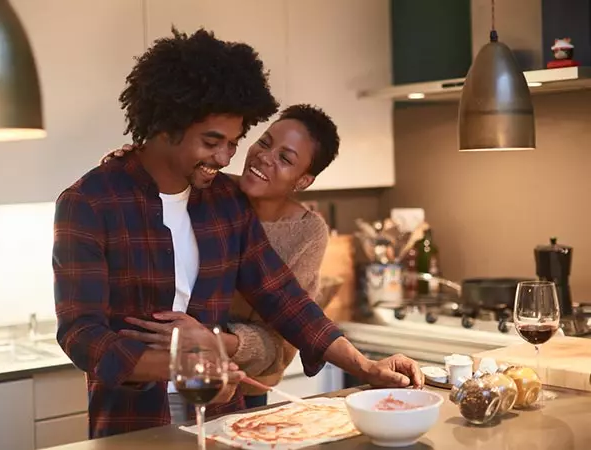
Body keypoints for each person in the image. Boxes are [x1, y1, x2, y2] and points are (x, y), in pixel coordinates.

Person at [53, 27, 423, 439]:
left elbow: (284, 298)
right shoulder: (88, 203)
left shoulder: (224, 199)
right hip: (132, 422)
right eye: (213, 142)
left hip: (223, 419)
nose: (227, 157)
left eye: (234, 142)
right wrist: (183, 363)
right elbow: (81, 334)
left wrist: (367, 367)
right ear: (166, 125)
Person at [102, 104, 341, 410]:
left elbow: (286, 332)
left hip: (245, 383)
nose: (266, 157)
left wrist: (212, 340)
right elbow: (160, 173)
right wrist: (135, 164)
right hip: (170, 372)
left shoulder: (308, 232)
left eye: (285, 158)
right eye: (265, 142)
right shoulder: (208, 186)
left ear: (303, 180)